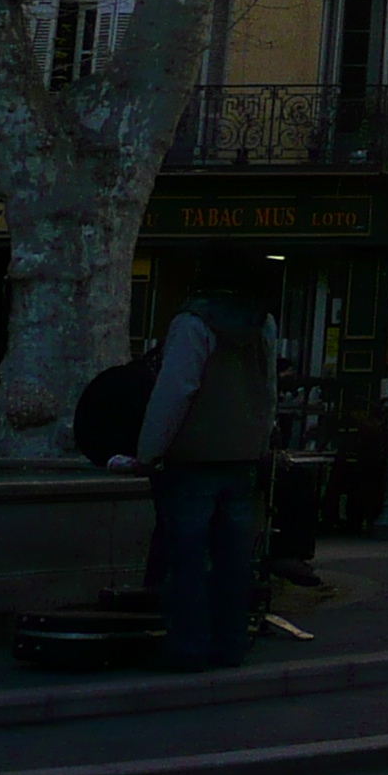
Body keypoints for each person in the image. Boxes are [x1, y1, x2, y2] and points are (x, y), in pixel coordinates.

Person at [109, 279, 276, 670]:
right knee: (234, 558)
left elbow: (176, 389)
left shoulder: (193, 322)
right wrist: (259, 439)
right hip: (243, 455)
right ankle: (232, 641)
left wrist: (149, 451)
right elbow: (268, 390)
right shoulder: (262, 322)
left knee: (186, 557)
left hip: (194, 456)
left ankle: (189, 645)